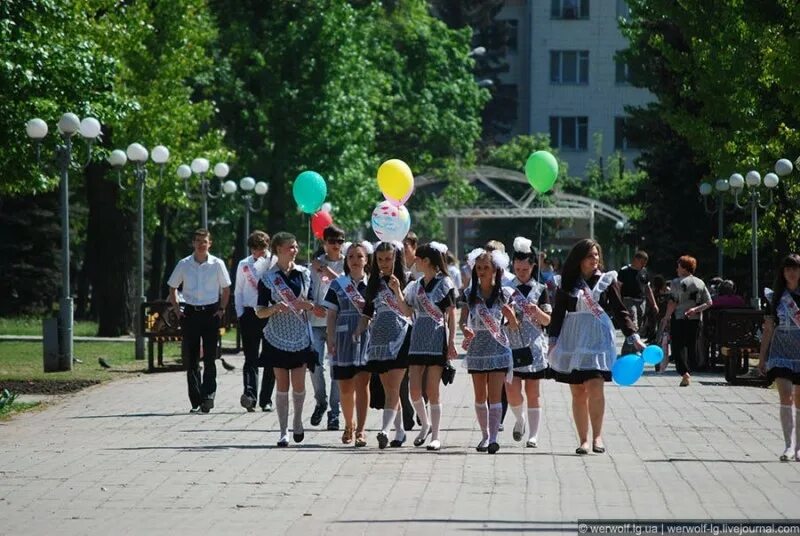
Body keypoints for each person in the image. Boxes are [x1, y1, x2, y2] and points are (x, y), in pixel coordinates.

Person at [548, 238, 643, 455]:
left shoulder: (607, 281)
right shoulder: (567, 283)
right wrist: (552, 342)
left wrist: (633, 335)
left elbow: (620, 310)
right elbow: (558, 313)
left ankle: (597, 437)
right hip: (572, 338)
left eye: (597, 255)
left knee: (595, 386)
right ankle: (583, 440)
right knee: (578, 392)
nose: (595, 259)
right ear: (580, 259)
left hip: (598, 338)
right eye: (590, 255)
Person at [255, 232, 322, 447]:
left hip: (300, 335)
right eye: (290, 247)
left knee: (299, 384)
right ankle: (283, 431)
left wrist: (308, 305)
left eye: (295, 246)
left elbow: (311, 302)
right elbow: (259, 312)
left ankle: (297, 421)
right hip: (277, 336)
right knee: (282, 384)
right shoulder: (267, 278)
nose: (295, 250)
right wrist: (275, 308)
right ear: (278, 250)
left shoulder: (304, 274)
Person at [400, 242, 458, 451]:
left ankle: (436, 435)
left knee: (432, 390)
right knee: (414, 389)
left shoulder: (445, 283)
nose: (414, 262)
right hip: (417, 337)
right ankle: (425, 424)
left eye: (417, 258)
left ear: (426, 261)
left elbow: (451, 314)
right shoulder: (415, 285)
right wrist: (397, 291)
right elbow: (407, 311)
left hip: (436, 337)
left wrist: (451, 342)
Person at [354, 241, 412, 449]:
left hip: (401, 335)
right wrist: (358, 330)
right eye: (380, 259)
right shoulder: (374, 283)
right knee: (389, 389)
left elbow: (408, 312)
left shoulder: (408, 280)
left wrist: (397, 290)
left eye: (388, 259)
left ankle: (384, 431)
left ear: (396, 258)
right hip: (379, 338)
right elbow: (367, 312)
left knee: (395, 386)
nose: (384, 263)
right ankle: (400, 432)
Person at [167, 228, 231, 413]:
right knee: (192, 358)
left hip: (211, 312)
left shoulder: (217, 264)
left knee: (210, 358)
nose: (202, 244)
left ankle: (208, 396)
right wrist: (177, 309)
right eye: (198, 241)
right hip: (191, 313)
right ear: (193, 243)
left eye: (205, 241)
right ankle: (195, 400)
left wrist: (221, 309)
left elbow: (226, 288)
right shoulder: (184, 264)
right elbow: (172, 287)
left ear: (210, 243)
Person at [459, 247, 516, 454]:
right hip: (477, 348)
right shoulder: (469, 294)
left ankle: (493, 437)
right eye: (479, 267)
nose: (482, 271)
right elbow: (462, 322)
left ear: (495, 270)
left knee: (495, 396)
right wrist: (465, 330)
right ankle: (484, 435)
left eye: (486, 267)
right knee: (479, 396)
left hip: (498, 346)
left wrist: (511, 317)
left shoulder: (504, 294)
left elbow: (513, 326)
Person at [324, 241, 373, 447]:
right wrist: (331, 337)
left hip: (366, 338)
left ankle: (361, 430)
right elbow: (331, 313)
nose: (355, 260)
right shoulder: (338, 284)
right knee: (345, 387)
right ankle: (348, 423)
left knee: (362, 384)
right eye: (351, 256)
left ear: (366, 260)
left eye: (359, 256)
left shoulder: (373, 285)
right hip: (343, 338)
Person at [505, 237, 552, 448]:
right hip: (511, 344)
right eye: (517, 268)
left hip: (533, 345)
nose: (521, 272)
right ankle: (519, 419)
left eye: (525, 269)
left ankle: (533, 435)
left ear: (533, 266)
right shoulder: (506, 289)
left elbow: (548, 320)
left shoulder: (541, 289)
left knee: (533, 391)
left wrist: (537, 311)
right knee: (512, 391)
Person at [758, 254, 800, 461]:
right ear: (782, 273)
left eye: (795, 268)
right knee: (785, 395)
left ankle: (799, 447)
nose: (791, 272)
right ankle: (788, 445)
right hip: (781, 350)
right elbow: (768, 328)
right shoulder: (776, 297)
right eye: (787, 269)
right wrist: (762, 356)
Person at [309, 225, 345, 430]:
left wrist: (325, 270)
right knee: (315, 366)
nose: (336, 245)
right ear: (325, 243)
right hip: (315, 321)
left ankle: (334, 411)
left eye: (340, 241)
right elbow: (306, 288)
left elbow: (344, 284)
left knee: (336, 369)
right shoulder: (313, 264)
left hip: (337, 322)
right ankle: (320, 402)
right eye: (332, 241)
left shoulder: (346, 263)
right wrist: (312, 306)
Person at [235, 231, 275, 412]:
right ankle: (250, 396)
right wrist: (240, 314)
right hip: (250, 314)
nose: (259, 252)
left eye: (262, 248)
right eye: (255, 248)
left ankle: (266, 399)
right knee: (250, 358)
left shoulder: (273, 263)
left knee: (269, 359)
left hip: (269, 313)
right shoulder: (244, 264)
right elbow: (238, 291)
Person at [661, 255, 712, 387]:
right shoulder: (700, 282)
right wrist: (695, 309)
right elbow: (709, 302)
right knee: (691, 345)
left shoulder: (676, 282)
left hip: (679, 317)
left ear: (684, 268)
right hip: (695, 319)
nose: (676, 269)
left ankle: (684, 373)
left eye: (678, 266)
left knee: (678, 346)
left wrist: (666, 317)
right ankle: (690, 369)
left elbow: (672, 301)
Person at [618, 251, 659, 355]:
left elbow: (648, 288)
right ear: (635, 260)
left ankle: (632, 350)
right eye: (642, 262)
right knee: (633, 325)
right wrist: (617, 302)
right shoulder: (624, 271)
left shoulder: (644, 272)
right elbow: (618, 287)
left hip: (641, 302)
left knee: (639, 328)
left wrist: (653, 303)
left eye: (645, 263)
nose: (643, 265)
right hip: (628, 301)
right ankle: (626, 352)